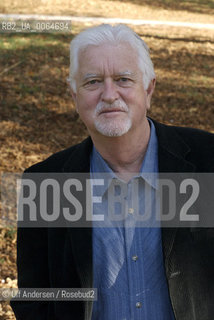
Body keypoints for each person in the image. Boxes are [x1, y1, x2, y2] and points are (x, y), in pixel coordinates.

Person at [11, 24, 214, 320]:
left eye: (123, 79)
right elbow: (35, 298)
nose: (109, 94)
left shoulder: (208, 161)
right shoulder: (44, 183)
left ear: (149, 89)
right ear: (74, 96)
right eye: (93, 81)